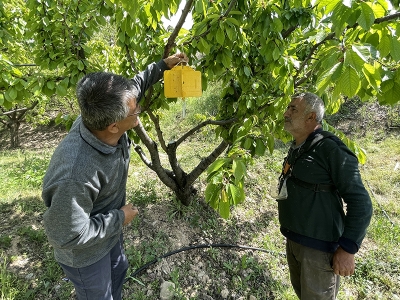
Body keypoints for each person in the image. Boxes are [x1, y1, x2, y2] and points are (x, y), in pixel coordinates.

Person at [42, 52, 188, 300]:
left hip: (106, 233)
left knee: (119, 271)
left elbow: (136, 86)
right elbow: (67, 236)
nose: (138, 109)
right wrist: (119, 218)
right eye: (135, 112)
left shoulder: (101, 116)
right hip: (85, 254)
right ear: (113, 126)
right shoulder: (76, 174)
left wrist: (163, 65)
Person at [276, 92, 373, 299]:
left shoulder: (330, 149)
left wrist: (348, 248)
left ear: (311, 117)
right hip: (295, 241)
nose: (286, 113)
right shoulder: (298, 146)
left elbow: (361, 202)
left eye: (293, 109)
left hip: (318, 249)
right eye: (288, 108)